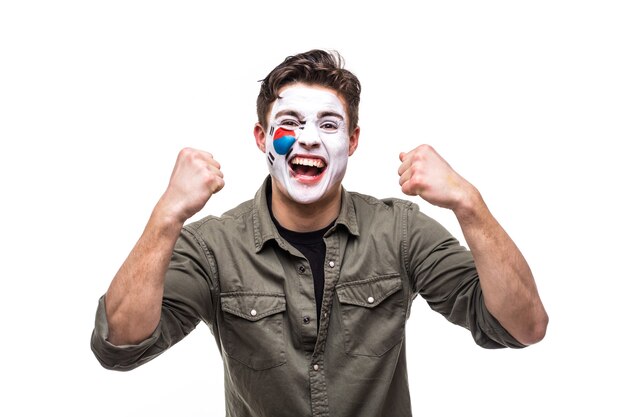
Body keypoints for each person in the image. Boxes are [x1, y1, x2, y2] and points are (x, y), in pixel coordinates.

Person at [91, 49, 548, 417]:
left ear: (351, 141)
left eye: (328, 125)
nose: (308, 139)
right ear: (262, 138)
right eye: (290, 123)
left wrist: (469, 203)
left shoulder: (400, 231)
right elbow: (120, 347)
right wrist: (166, 216)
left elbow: (523, 327)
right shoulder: (213, 247)